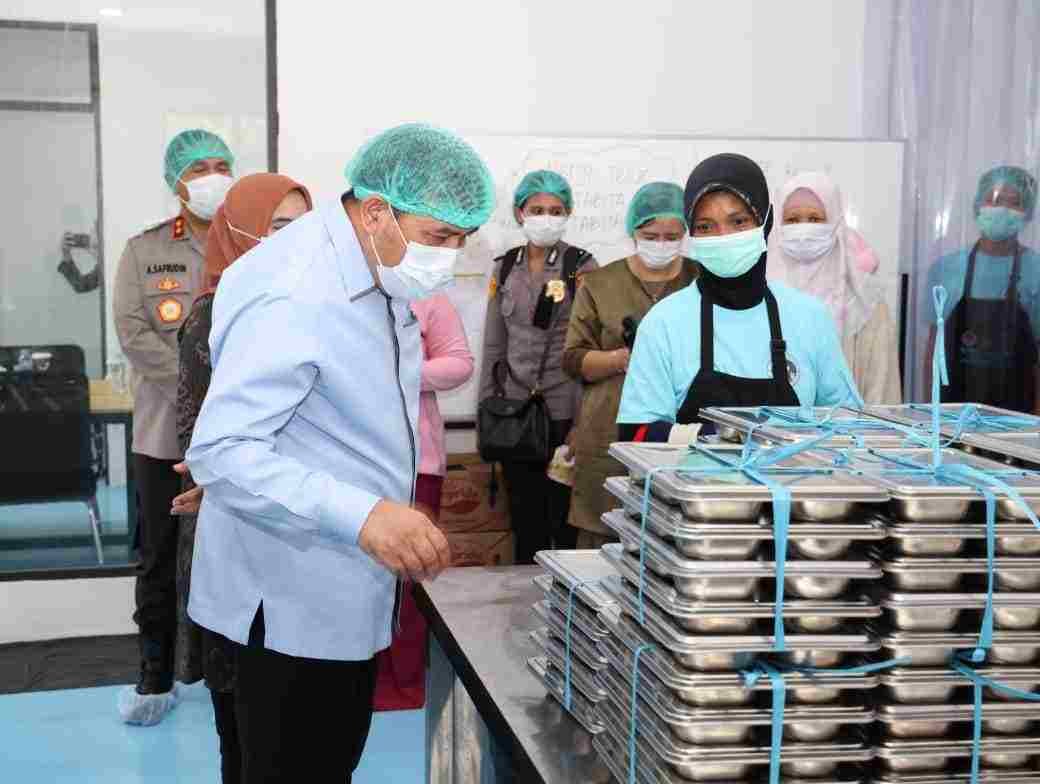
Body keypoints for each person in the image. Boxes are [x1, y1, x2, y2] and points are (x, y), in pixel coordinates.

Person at [184, 123, 493, 784]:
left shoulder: (374, 267)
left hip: (341, 591)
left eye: (461, 240)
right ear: (376, 210)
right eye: (440, 236)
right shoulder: (296, 288)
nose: (449, 256)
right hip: (287, 606)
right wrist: (366, 514)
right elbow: (223, 449)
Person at [174, 173, 312, 783]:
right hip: (230, 529)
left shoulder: (307, 306)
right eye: (278, 227)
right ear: (238, 231)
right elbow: (201, 439)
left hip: (295, 532)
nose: (294, 240)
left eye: (303, 226)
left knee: (293, 722)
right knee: (243, 727)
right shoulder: (212, 312)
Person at [113, 128, 234, 723]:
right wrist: (197, 395)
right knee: (159, 560)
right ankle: (154, 677)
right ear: (177, 182)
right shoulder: (145, 250)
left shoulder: (253, 241)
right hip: (165, 436)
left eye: (221, 164)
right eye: (199, 168)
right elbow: (135, 333)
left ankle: (225, 675)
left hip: (239, 436)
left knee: (231, 558)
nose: (213, 176)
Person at [617, 153, 861, 442]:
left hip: (793, 473)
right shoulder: (663, 324)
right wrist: (725, 435)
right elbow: (636, 432)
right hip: (691, 475)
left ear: (766, 222)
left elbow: (848, 425)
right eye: (705, 226)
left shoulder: (809, 317)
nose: (723, 236)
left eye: (739, 221)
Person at [563, 182, 697, 548]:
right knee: (600, 537)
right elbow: (573, 358)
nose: (661, 244)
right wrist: (621, 359)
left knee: (674, 537)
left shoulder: (701, 281)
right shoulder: (600, 284)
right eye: (650, 236)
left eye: (672, 236)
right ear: (633, 231)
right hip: (608, 429)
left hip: (680, 433)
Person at [479, 170, 598, 564]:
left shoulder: (580, 266)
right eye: (537, 209)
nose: (546, 217)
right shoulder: (504, 267)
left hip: (564, 412)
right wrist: (486, 408)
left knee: (563, 522)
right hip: (514, 413)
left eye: (556, 210)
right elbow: (494, 343)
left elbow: (591, 349)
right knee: (524, 521)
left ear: (568, 214)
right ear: (520, 213)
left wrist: (583, 423)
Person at [374, 292, 473, 712]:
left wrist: (397, 371)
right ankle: (360, 679)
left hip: (417, 462)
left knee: (410, 576)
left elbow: (459, 364)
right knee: (357, 578)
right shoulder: (334, 289)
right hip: (352, 465)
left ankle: (404, 683)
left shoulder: (428, 296)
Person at [766, 172, 902, 404]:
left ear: (835, 223)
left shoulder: (864, 301)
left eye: (815, 219)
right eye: (792, 220)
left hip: (847, 426)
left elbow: (882, 392)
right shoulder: (759, 293)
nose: (803, 230)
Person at [925, 165, 1040, 412]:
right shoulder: (946, 268)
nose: (1003, 210)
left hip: (1018, 419)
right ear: (978, 206)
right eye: (995, 200)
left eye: (1014, 203)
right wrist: (929, 413)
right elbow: (934, 350)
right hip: (953, 415)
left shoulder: (1036, 270)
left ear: (1027, 213)